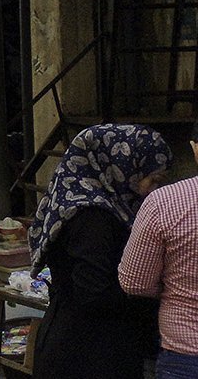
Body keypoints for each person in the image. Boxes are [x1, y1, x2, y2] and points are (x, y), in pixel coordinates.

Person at [30, 124, 169, 378]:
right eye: (153, 179)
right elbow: (92, 292)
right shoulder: (93, 217)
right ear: (123, 165)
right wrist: (152, 292)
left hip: (85, 342)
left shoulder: (105, 206)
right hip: (86, 353)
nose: (154, 190)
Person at [119, 120, 198, 378]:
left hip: (185, 353)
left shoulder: (164, 202)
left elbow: (134, 282)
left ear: (194, 148)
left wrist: (172, 284)